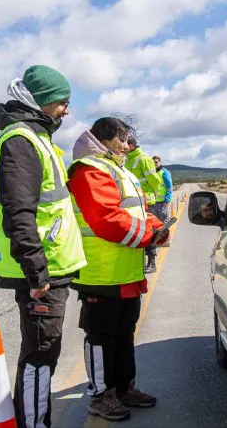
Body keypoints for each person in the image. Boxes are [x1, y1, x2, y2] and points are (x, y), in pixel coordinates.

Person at [0, 65, 87, 428]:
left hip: (50, 268)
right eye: (62, 102)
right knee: (40, 354)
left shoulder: (35, 137)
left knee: (44, 351)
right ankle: (33, 424)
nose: (66, 110)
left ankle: (33, 419)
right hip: (40, 273)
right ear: (41, 101)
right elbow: (19, 212)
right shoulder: (21, 141)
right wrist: (36, 272)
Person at [67, 117, 170, 422]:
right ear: (106, 139)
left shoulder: (119, 169)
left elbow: (135, 212)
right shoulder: (89, 170)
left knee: (124, 333)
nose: (128, 146)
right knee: (101, 337)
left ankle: (123, 388)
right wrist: (149, 235)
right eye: (123, 140)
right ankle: (101, 396)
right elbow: (107, 219)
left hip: (125, 271)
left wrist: (157, 227)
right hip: (101, 273)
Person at [125, 136, 164, 273]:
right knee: (137, 234)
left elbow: (154, 180)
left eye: (124, 143)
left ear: (130, 145)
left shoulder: (144, 158)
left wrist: (153, 194)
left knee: (150, 232)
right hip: (132, 203)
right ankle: (140, 263)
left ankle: (152, 263)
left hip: (146, 201)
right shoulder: (127, 159)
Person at [151, 156, 173, 247]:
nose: (154, 164)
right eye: (153, 163)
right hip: (154, 202)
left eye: (156, 162)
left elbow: (169, 188)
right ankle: (158, 240)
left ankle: (166, 240)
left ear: (160, 162)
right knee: (156, 223)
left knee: (164, 222)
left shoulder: (164, 172)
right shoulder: (152, 173)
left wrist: (167, 200)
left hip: (163, 202)